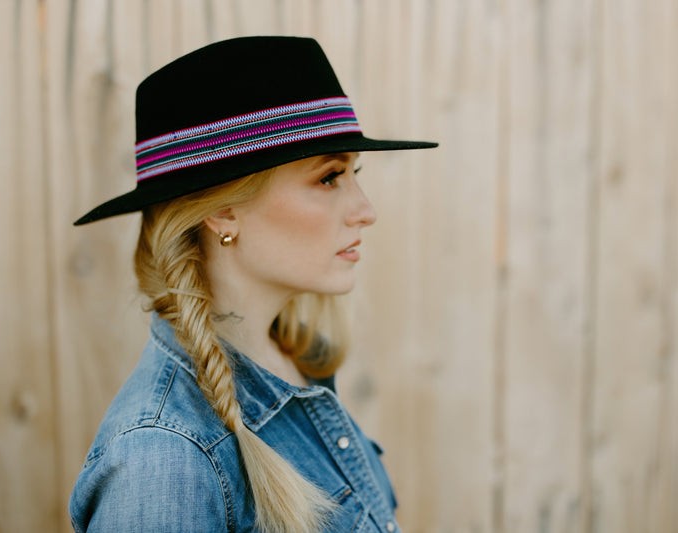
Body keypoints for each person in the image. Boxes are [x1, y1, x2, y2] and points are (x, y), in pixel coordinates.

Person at [68, 36, 437, 533]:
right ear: (222, 210)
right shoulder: (163, 458)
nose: (365, 211)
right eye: (329, 178)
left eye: (355, 174)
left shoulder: (292, 363)